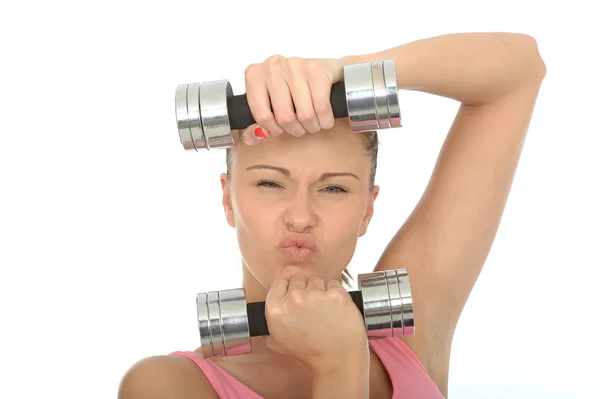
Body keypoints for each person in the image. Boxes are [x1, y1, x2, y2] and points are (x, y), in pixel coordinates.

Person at [118, 32, 547, 398]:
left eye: (334, 188)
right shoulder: (166, 385)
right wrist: (338, 365)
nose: (301, 217)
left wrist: (348, 70)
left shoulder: (411, 330)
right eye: (270, 183)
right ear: (228, 199)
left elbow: (518, 72)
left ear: (367, 211)